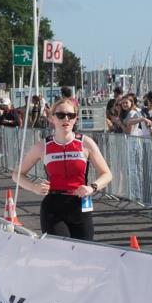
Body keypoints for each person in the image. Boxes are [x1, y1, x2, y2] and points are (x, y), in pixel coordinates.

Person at [14, 99, 112, 241]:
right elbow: (17, 174)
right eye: (60, 115)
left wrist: (92, 187)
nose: (66, 119)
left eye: (70, 115)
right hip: (54, 207)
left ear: (75, 119)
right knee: (60, 252)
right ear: (51, 118)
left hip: (80, 204)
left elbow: (107, 174)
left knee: (84, 254)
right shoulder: (43, 146)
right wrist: (33, 187)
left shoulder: (85, 143)